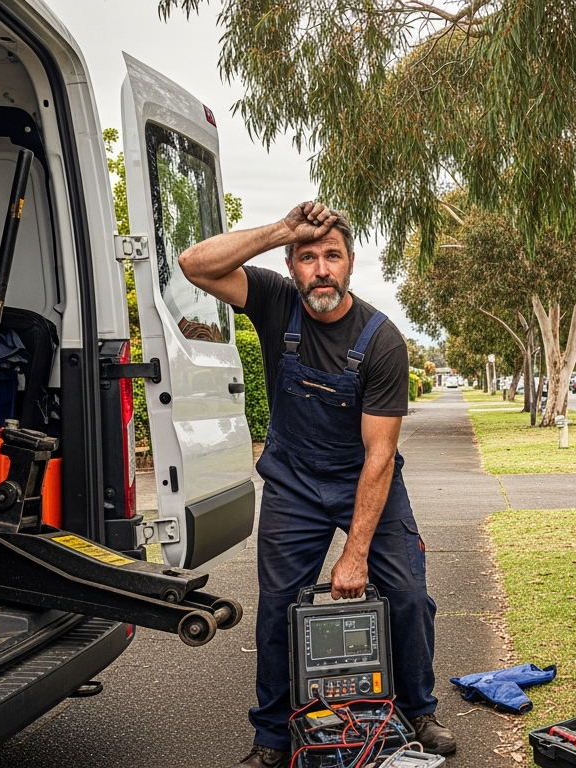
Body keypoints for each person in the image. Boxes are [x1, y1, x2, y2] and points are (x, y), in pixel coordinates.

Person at [178, 202, 456, 767]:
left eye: (333, 256)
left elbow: (380, 456)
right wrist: (282, 228)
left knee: (406, 594)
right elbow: (194, 264)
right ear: (292, 263)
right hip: (293, 484)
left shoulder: (383, 341)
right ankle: (274, 738)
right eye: (308, 257)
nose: (321, 269)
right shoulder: (276, 302)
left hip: (365, 481)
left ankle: (418, 710)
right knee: (279, 606)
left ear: (350, 263)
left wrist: (355, 555)